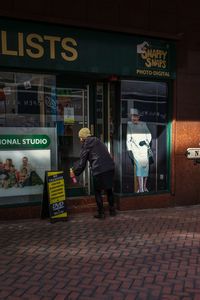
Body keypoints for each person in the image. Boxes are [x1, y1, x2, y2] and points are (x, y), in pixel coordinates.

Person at [71, 127, 116, 219]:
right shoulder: (98, 141)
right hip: (110, 168)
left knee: (97, 192)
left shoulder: (86, 144)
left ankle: (101, 213)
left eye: (80, 137)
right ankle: (112, 211)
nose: (80, 139)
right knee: (109, 190)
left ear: (82, 137)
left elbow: (82, 163)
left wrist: (75, 173)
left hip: (98, 170)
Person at [126, 108, 152, 193]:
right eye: (133, 116)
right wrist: (129, 150)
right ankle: (140, 188)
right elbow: (128, 139)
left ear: (138, 117)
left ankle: (144, 187)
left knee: (146, 168)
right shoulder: (129, 125)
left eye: (136, 116)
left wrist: (146, 141)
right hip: (136, 151)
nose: (134, 118)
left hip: (144, 149)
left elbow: (149, 135)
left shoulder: (143, 124)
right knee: (139, 168)